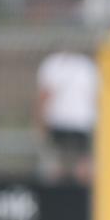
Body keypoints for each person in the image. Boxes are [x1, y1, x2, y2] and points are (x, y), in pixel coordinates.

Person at [35, 50, 98, 185]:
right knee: (65, 167)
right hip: (73, 125)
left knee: (68, 167)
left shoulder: (54, 65)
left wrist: (40, 123)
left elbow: (44, 97)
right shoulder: (86, 67)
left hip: (71, 125)